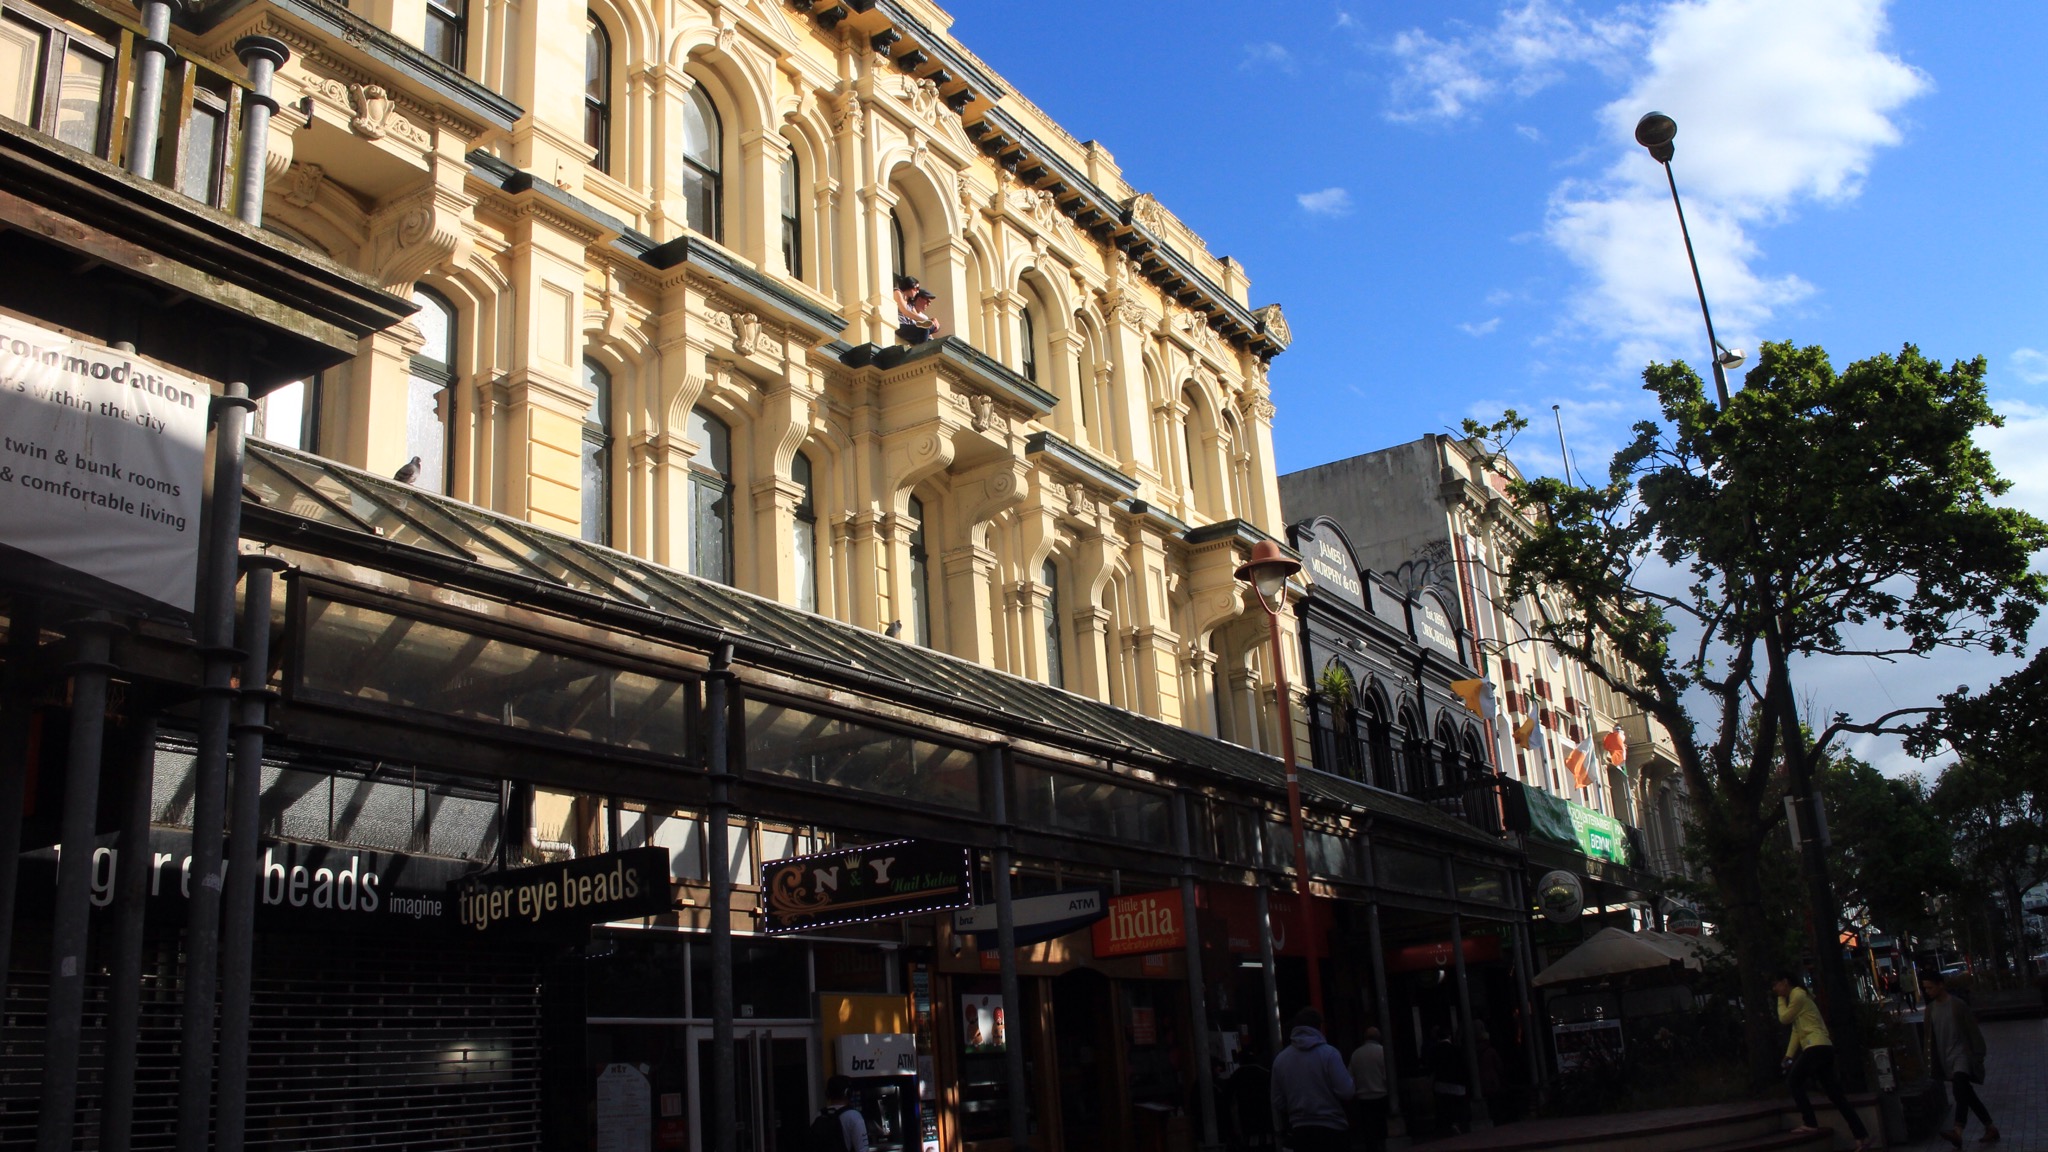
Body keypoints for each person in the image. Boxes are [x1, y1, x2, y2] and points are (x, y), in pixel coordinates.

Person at [1772, 970, 1873, 1152]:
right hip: (1823, 1047)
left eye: (1776, 985)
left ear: (1785, 982)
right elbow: (1796, 1031)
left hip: (1815, 1046)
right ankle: (1861, 1136)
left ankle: (1810, 1122)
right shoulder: (1800, 998)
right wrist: (1789, 1055)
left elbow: (1784, 1018)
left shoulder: (1797, 995)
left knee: (1794, 1081)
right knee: (1835, 1095)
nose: (1775, 989)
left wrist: (1780, 1000)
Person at [1924, 970, 1998, 1146]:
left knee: (1959, 1090)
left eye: (1930, 987)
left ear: (1941, 985)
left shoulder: (1958, 1005)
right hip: (1946, 1059)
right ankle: (1990, 1127)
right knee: (1967, 1094)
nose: (1927, 991)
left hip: (1961, 1055)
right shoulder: (1930, 1010)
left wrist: (1978, 1055)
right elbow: (1928, 1038)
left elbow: (1973, 1031)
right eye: (1925, 988)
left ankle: (1958, 1130)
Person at [1269, 1007, 1353, 1152]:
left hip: (1300, 1130)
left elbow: (1277, 1100)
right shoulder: (1330, 1054)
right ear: (1319, 1027)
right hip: (1332, 1128)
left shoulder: (1281, 1059)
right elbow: (1346, 1091)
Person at [1346, 1026, 1389, 1152]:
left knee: (1368, 1132)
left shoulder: (1356, 1054)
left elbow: (1350, 1077)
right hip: (1381, 1095)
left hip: (1363, 1097)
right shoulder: (1382, 1052)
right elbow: (1387, 1076)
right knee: (1381, 1130)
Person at [1424, 1025, 1468, 1137]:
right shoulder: (1456, 1049)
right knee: (1457, 1105)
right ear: (1449, 1036)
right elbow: (1464, 1066)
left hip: (1441, 1083)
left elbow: (1430, 1067)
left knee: (1444, 1107)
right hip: (1457, 1083)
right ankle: (1456, 1123)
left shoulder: (1434, 1050)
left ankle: (1446, 1127)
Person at [809, 1074, 869, 1152]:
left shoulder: (819, 1115)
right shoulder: (853, 1116)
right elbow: (862, 1149)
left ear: (827, 1093)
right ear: (848, 1093)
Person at [893, 274, 940, 344]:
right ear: (910, 286)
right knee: (924, 330)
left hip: (909, 327)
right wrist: (926, 321)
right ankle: (922, 349)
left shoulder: (910, 303)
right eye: (917, 288)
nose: (917, 291)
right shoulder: (898, 293)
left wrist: (932, 321)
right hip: (900, 326)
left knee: (932, 328)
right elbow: (905, 311)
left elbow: (916, 316)